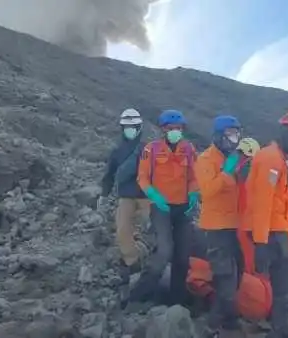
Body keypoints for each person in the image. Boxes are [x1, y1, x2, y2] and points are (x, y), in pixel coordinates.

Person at [242, 111, 288, 338]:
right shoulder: (272, 160)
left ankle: (278, 328)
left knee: (286, 286)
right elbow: (262, 202)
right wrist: (262, 242)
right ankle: (280, 332)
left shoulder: (275, 159)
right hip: (273, 233)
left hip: (277, 230)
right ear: (286, 131)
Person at [135, 109, 199, 306]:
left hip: (183, 208)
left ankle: (176, 300)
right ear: (163, 130)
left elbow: (194, 177)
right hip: (161, 207)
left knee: (183, 256)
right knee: (164, 252)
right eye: (171, 128)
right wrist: (154, 195)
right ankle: (139, 294)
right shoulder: (151, 150)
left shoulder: (189, 149)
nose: (175, 132)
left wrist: (193, 194)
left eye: (178, 128)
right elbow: (143, 177)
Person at [194, 115, 244, 337]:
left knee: (238, 272)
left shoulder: (232, 157)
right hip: (216, 228)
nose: (234, 138)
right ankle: (214, 324)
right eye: (230, 134)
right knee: (225, 276)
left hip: (235, 226)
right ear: (218, 136)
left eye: (236, 134)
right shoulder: (206, 159)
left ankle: (228, 317)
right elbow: (208, 191)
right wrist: (226, 172)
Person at [97, 108, 151, 309]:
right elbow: (109, 175)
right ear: (122, 128)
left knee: (154, 229)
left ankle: (152, 263)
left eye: (133, 127)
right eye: (127, 127)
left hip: (148, 197)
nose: (131, 130)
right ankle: (133, 262)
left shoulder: (148, 149)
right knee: (122, 232)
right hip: (126, 197)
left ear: (139, 128)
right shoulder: (117, 152)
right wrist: (103, 194)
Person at [234, 137, 261, 274]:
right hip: (245, 219)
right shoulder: (247, 169)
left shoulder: (247, 168)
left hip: (247, 219)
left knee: (247, 252)